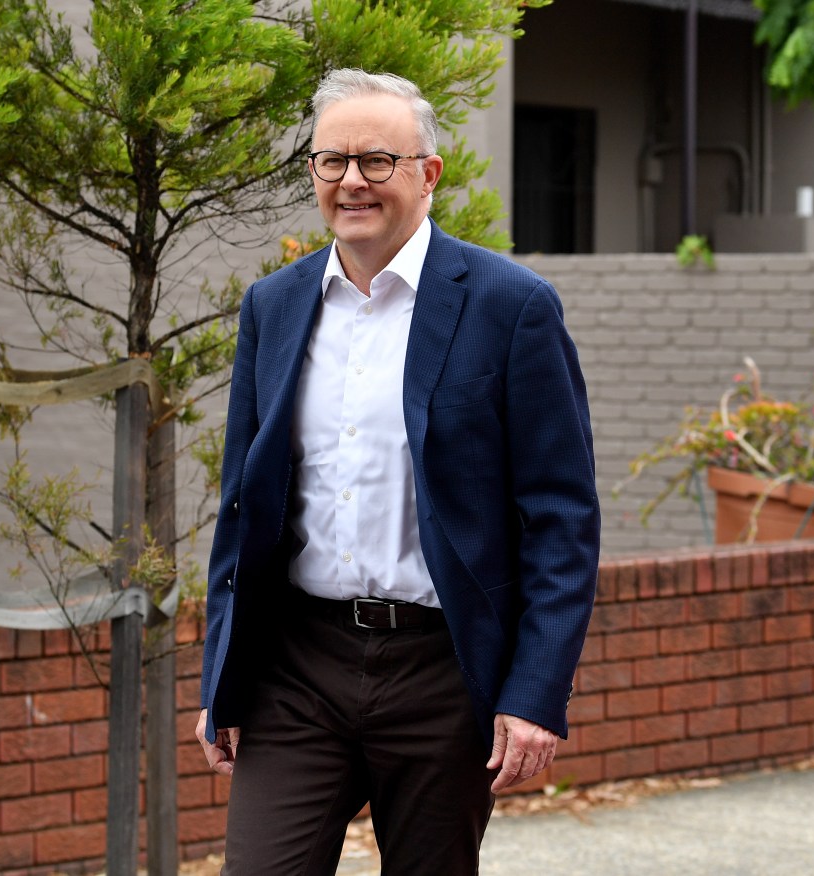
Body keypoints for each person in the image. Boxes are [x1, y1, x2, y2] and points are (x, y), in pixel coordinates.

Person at [195, 69, 600, 875]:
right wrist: (222, 675)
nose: (352, 181)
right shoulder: (272, 306)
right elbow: (243, 508)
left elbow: (561, 518)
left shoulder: (510, 306)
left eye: (378, 161)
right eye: (330, 161)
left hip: (441, 672)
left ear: (428, 173)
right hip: (296, 668)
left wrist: (533, 693)